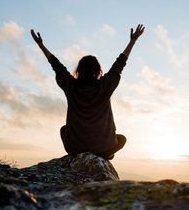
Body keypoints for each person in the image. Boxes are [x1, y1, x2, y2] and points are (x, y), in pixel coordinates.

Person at [31, 24, 145, 160]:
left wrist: (41, 45)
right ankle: (102, 155)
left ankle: (84, 154)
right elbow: (119, 64)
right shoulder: (105, 85)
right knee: (121, 139)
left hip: (74, 148)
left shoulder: (70, 85)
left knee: (63, 129)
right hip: (102, 148)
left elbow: (57, 66)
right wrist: (132, 41)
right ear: (98, 71)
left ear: (78, 70)